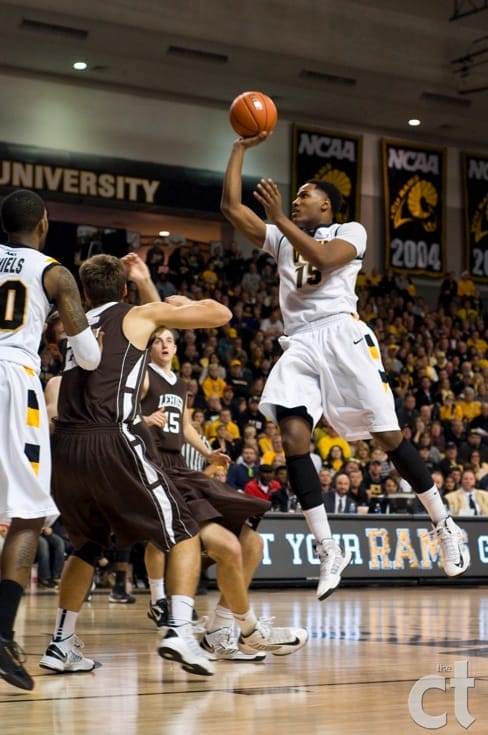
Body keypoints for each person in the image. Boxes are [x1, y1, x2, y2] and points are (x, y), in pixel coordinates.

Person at [221, 133, 470, 601]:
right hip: (299, 344)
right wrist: (239, 148)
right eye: (293, 197)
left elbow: (322, 258)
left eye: (304, 196)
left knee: (388, 437)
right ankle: (328, 546)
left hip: (344, 336)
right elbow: (232, 209)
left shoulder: (350, 231)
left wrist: (277, 217)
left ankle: (444, 523)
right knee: (292, 436)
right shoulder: (279, 239)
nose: (295, 200)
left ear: (327, 208)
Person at [39, 253, 232, 679]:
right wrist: (171, 298)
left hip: (67, 448)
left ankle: (62, 642)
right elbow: (220, 313)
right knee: (182, 532)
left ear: (84, 293)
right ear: (123, 289)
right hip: (112, 438)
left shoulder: (75, 325)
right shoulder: (137, 315)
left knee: (86, 546)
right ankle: (180, 630)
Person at [140, 327, 307, 660]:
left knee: (253, 543)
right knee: (171, 541)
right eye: (159, 339)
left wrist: (207, 453)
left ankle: (219, 630)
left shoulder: (178, 382)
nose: (166, 344)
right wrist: (144, 418)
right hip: (153, 465)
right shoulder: (143, 377)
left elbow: (185, 426)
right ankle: (167, 602)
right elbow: (117, 416)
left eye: (171, 340)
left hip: (181, 467)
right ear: (149, 345)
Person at [0, 189, 101, 692]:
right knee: (29, 513)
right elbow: (89, 358)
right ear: (42, 223)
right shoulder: (54, 272)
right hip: (15, 381)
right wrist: (67, 328)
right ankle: (0, 635)